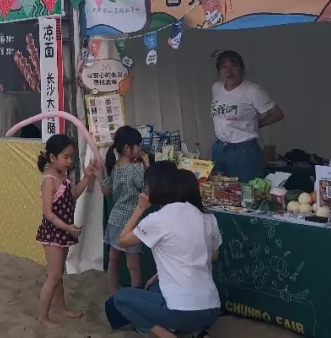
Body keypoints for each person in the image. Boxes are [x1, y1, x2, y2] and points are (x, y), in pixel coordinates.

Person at [108, 165, 222, 338]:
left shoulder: (160, 218)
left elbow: (122, 240)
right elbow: (213, 255)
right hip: (212, 308)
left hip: (183, 312)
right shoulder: (205, 216)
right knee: (154, 288)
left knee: (121, 298)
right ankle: (198, 332)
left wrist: (140, 208)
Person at [35, 133, 97, 328]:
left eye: (71, 156)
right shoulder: (49, 180)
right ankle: (43, 316)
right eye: (66, 157)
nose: (70, 161)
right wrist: (67, 227)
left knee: (58, 273)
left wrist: (86, 177)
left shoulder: (64, 176)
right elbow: (48, 213)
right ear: (53, 157)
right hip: (53, 233)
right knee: (53, 276)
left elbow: (74, 195)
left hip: (62, 232)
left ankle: (60, 308)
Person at [210, 50, 284, 182]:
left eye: (234, 65)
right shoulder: (216, 88)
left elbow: (277, 114)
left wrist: (257, 124)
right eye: (224, 67)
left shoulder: (253, 91)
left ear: (242, 68)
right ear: (219, 71)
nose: (229, 71)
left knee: (247, 189)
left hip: (243, 150)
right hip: (220, 148)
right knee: (219, 188)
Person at [101, 125, 149, 295]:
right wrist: (147, 166)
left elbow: (106, 191)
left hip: (114, 220)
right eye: (138, 145)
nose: (140, 149)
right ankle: (136, 299)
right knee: (133, 267)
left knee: (113, 261)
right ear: (128, 148)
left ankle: (113, 296)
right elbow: (147, 190)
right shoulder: (136, 169)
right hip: (131, 223)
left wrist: (99, 173)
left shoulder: (114, 167)